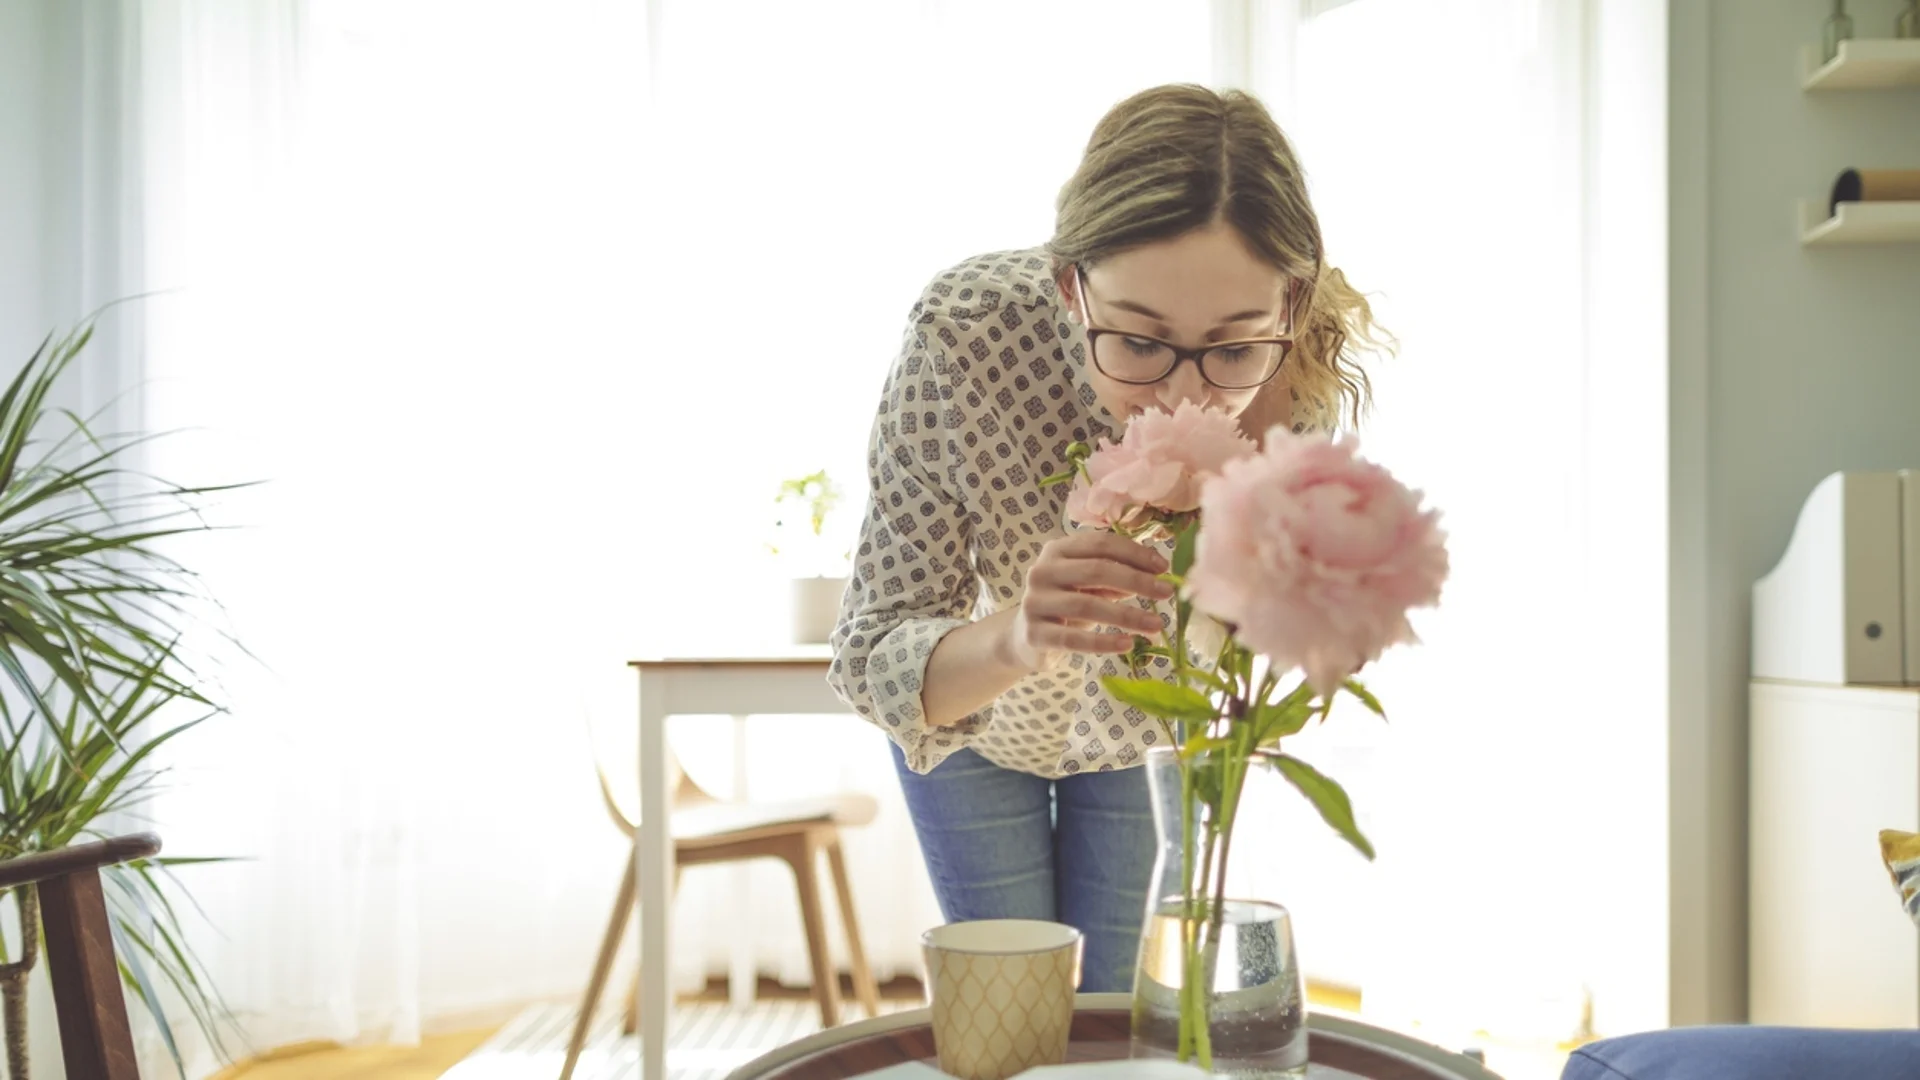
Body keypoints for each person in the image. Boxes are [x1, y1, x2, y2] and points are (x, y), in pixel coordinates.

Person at [824, 83, 1391, 993]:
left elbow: (1275, 633)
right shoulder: (964, 336)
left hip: (1151, 734)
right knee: (1014, 1014)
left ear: (1289, 307)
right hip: (975, 726)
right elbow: (871, 655)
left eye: (1234, 348)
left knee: (1123, 1017)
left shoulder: (1297, 392)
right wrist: (1018, 633)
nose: (1183, 395)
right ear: (1068, 284)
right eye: (1136, 339)